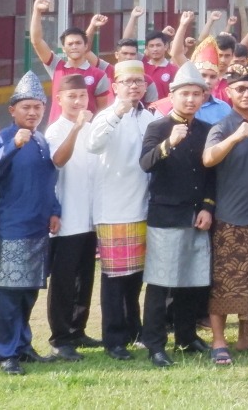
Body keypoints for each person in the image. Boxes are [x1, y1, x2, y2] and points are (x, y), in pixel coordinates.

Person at [0, 71, 61, 375]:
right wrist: (13, 144)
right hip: (11, 226)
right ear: (12, 110)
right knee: (8, 293)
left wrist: (55, 209)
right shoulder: (1, 137)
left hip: (38, 226)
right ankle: (6, 353)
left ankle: (24, 346)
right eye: (26, 107)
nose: (32, 112)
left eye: (37, 107)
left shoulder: (42, 139)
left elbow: (48, 181)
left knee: (29, 289)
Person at [138, 63, 216, 368]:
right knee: (160, 283)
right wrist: (169, 143)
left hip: (197, 215)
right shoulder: (157, 127)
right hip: (166, 214)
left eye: (196, 94)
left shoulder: (206, 130)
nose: (190, 100)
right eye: (185, 94)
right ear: (172, 96)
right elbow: (145, 164)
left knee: (192, 281)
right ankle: (155, 343)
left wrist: (208, 206)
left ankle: (186, 336)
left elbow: (211, 175)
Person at [201, 66, 248, 363]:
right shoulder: (221, 126)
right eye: (240, 89)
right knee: (225, 282)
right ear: (228, 92)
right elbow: (208, 159)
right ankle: (219, 340)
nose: (246, 94)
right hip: (229, 218)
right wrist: (235, 138)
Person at [85, 60, 155, 361]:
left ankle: (134, 329)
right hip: (114, 208)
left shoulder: (149, 117)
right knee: (115, 279)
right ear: (115, 87)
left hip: (143, 207)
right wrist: (117, 112)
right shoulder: (106, 116)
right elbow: (94, 144)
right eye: (128, 82)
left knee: (135, 277)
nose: (135, 86)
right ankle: (113, 338)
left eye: (139, 81)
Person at [45, 74, 100, 360]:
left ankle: (78, 329)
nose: (78, 101)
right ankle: (60, 336)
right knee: (64, 280)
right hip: (66, 217)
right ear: (60, 100)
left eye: (82, 95)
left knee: (84, 277)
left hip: (90, 217)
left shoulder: (93, 127)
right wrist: (76, 129)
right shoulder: (55, 131)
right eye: (72, 96)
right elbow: (58, 161)